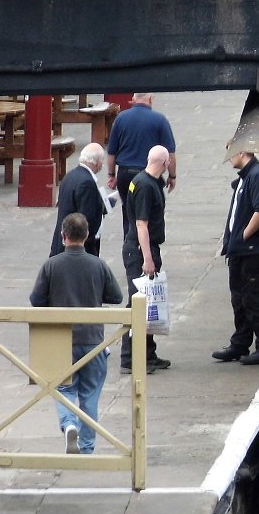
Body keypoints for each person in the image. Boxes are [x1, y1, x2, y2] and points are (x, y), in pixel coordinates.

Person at [30, 212, 124, 454]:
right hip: (93, 339)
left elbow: (36, 300)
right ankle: (88, 447)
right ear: (87, 235)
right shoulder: (98, 265)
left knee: (62, 388)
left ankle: (69, 423)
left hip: (62, 340)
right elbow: (116, 296)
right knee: (90, 394)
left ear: (63, 236)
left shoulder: (51, 265)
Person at [212, 150, 259, 365]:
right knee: (239, 297)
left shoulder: (258, 176)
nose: (228, 158)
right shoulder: (247, 176)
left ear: (241, 152)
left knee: (253, 297)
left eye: (230, 153)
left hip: (253, 251)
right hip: (240, 250)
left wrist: (243, 235)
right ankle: (240, 342)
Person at [120, 145, 171, 374]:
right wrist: (147, 258)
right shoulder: (145, 186)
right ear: (164, 163)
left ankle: (148, 353)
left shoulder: (144, 181)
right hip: (140, 250)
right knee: (138, 303)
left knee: (148, 303)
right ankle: (129, 358)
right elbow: (142, 224)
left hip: (144, 247)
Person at [106, 93, 177, 232]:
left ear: (133, 100)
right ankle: (146, 247)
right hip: (148, 177)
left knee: (128, 212)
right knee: (150, 214)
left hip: (125, 175)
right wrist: (172, 175)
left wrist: (111, 175)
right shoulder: (160, 120)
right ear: (150, 99)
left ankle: (129, 243)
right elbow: (170, 153)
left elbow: (111, 152)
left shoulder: (121, 118)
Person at [50, 143, 109, 258]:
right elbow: (87, 219)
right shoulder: (87, 183)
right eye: (102, 161)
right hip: (77, 247)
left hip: (63, 241)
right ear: (97, 163)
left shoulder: (70, 176)